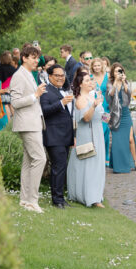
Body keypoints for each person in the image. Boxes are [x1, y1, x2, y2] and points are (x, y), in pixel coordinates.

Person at [11, 44, 49, 213]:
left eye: (37, 57)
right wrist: (35, 95)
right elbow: (15, 102)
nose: (36, 60)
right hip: (27, 123)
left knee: (29, 161)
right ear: (24, 58)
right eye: (33, 57)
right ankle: (33, 200)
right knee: (40, 159)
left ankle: (25, 201)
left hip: (34, 121)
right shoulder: (19, 75)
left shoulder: (30, 75)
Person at [67, 72, 106, 207]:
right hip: (87, 134)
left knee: (97, 164)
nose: (91, 83)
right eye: (87, 80)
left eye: (91, 80)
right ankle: (90, 197)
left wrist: (108, 118)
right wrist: (94, 106)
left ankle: (96, 194)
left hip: (98, 132)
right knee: (89, 163)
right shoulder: (81, 99)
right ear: (80, 84)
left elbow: (99, 116)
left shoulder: (91, 96)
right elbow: (86, 118)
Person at [40, 64, 75, 208]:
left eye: (62, 75)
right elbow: (44, 110)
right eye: (57, 76)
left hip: (65, 135)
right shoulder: (45, 91)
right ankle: (57, 200)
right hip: (54, 136)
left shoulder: (63, 90)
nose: (61, 78)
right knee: (58, 167)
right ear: (50, 76)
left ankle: (60, 198)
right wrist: (61, 103)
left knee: (62, 167)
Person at [108, 63, 136, 173]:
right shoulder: (110, 83)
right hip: (115, 115)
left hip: (125, 113)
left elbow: (129, 94)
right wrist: (116, 82)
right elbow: (110, 94)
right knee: (117, 142)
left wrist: (123, 82)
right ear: (113, 73)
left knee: (130, 139)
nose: (118, 73)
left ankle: (135, 162)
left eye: (120, 71)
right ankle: (118, 166)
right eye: (116, 71)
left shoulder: (127, 83)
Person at [90, 58, 111, 166]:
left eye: (99, 65)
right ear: (92, 67)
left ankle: (106, 156)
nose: (97, 67)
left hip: (106, 108)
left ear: (102, 66)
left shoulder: (107, 77)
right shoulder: (90, 78)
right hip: (95, 108)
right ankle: (97, 156)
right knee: (98, 132)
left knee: (105, 132)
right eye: (95, 66)